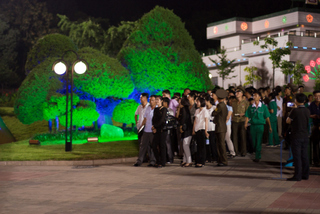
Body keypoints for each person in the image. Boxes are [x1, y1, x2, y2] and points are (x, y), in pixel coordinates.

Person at [286, 93, 310, 181]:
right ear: (304, 101)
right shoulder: (307, 110)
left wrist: (291, 111)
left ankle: (297, 175)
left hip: (296, 136)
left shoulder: (295, 111)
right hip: (305, 135)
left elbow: (288, 121)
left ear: (296, 100)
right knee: (304, 155)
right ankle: (305, 174)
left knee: (297, 156)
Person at [245, 91, 272, 162]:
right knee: (254, 141)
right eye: (254, 95)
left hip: (260, 126)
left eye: (256, 95)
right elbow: (247, 116)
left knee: (259, 141)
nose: (254, 97)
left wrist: (270, 126)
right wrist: (246, 123)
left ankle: (257, 156)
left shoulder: (263, 107)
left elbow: (267, 117)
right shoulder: (251, 107)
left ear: (259, 97)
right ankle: (256, 152)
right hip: (253, 126)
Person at [134, 95, 157, 167]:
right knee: (142, 146)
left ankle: (153, 161)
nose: (151, 101)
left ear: (156, 101)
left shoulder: (157, 109)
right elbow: (145, 118)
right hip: (146, 130)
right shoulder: (148, 108)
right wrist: (141, 127)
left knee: (152, 146)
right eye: (150, 100)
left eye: (152, 100)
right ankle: (139, 160)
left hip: (152, 130)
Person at [212, 89, 229, 166]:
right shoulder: (224, 105)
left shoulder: (219, 105)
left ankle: (223, 160)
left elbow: (214, 113)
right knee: (220, 144)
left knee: (221, 145)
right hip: (222, 126)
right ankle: (221, 160)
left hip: (220, 127)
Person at [231, 86, 249, 156]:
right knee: (234, 136)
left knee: (243, 136)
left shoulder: (245, 102)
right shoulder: (233, 102)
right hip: (235, 120)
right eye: (236, 92)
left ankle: (243, 151)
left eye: (239, 92)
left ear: (242, 94)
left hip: (242, 120)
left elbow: (248, 112)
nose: (237, 93)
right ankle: (235, 151)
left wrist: (244, 114)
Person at [192, 97, 209, 167]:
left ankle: (202, 161)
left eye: (198, 102)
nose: (197, 103)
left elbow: (206, 121)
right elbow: (195, 121)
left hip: (202, 129)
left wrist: (206, 131)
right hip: (197, 129)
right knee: (198, 146)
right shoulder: (197, 110)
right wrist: (193, 130)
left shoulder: (205, 111)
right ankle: (198, 160)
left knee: (202, 146)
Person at [152, 96, 168, 168]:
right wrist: (153, 126)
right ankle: (158, 160)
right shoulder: (156, 109)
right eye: (156, 100)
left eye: (158, 100)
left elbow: (162, 120)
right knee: (154, 145)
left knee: (162, 146)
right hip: (156, 129)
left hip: (162, 129)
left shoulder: (164, 109)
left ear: (161, 101)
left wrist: (155, 126)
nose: (156, 101)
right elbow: (154, 118)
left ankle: (162, 161)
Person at [179, 96, 193, 167]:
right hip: (188, 129)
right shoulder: (186, 109)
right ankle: (185, 160)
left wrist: (181, 126)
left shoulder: (184, 109)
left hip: (186, 129)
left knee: (185, 144)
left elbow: (183, 119)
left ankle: (189, 161)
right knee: (185, 145)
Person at [205, 94, 218, 162]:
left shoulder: (214, 108)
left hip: (213, 127)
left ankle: (214, 156)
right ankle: (208, 157)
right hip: (206, 128)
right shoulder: (204, 108)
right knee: (207, 143)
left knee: (213, 143)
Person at [309, 90, 320, 167]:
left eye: (319, 96)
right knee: (315, 143)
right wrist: (313, 116)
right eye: (316, 96)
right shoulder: (312, 104)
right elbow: (308, 114)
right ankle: (315, 160)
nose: (317, 97)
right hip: (315, 126)